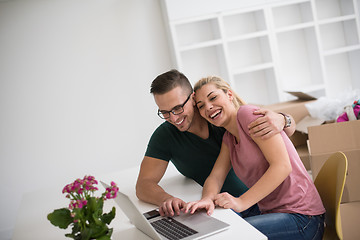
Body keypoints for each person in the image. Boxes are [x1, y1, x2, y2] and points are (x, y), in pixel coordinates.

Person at [135, 69, 296, 218]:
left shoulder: (219, 116)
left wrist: (284, 119)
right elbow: (143, 184)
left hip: (259, 202)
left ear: (192, 98)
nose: (174, 118)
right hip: (219, 206)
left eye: (178, 108)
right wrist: (166, 199)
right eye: (164, 112)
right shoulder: (166, 135)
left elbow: (282, 133)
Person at [185, 76, 325, 240]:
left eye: (213, 97)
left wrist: (241, 202)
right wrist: (207, 199)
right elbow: (216, 177)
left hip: (302, 218)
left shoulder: (248, 115)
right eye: (201, 106)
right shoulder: (229, 138)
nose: (208, 107)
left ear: (229, 95)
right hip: (272, 212)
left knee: (231, 235)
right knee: (218, 223)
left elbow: (282, 166)